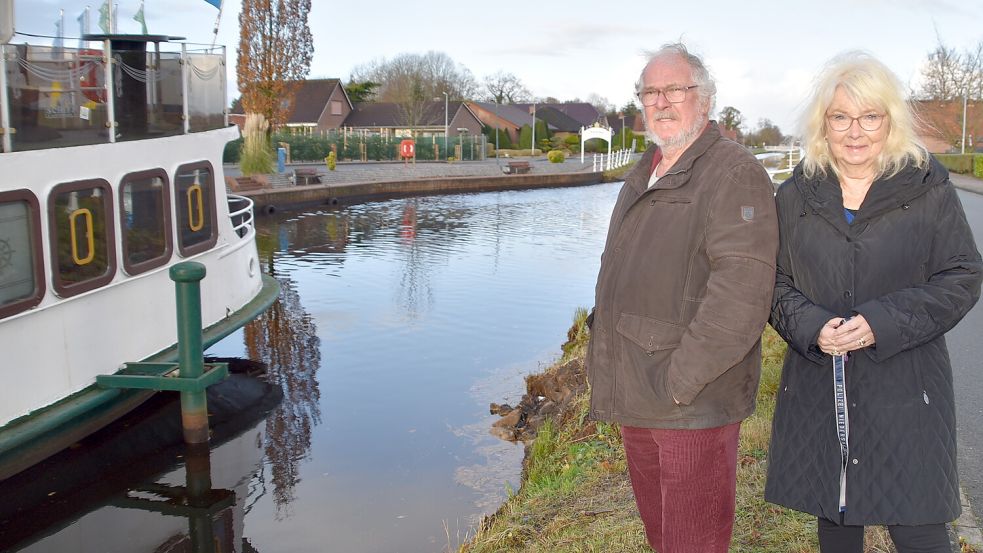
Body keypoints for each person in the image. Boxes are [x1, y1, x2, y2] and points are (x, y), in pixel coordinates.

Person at [766, 51, 983, 553]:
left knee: (921, 530)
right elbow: (772, 282)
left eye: (870, 117)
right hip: (825, 389)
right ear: (824, 124)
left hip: (908, 391)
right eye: (840, 117)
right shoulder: (796, 195)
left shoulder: (926, 187)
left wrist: (878, 323)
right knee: (838, 524)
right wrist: (812, 327)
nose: (855, 131)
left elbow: (963, 275)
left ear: (891, 121)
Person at [585, 43, 778, 553]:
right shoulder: (645, 170)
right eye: (651, 92)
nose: (662, 101)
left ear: (706, 100)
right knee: (662, 537)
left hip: (689, 402)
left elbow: (742, 293)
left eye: (676, 89)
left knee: (693, 541)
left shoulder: (733, 172)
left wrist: (680, 381)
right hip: (638, 393)